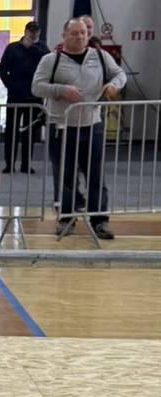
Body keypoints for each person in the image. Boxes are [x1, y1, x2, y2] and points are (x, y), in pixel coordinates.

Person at [32, 16, 126, 240]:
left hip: (92, 125)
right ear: (64, 35)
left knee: (96, 175)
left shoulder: (101, 57)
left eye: (83, 32)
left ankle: (99, 221)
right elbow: (37, 86)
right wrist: (61, 90)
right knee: (65, 176)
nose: (80, 36)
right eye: (74, 33)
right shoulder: (50, 60)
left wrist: (114, 84)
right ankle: (66, 219)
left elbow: (120, 74)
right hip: (61, 127)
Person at [0, 21, 48, 173]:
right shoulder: (12, 48)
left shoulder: (41, 48)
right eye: (31, 32)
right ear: (25, 31)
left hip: (34, 98)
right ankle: (9, 164)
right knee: (11, 132)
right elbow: (2, 69)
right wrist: (10, 85)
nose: (33, 35)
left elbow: (47, 63)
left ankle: (26, 164)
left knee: (30, 133)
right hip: (15, 96)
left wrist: (31, 48)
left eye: (36, 33)